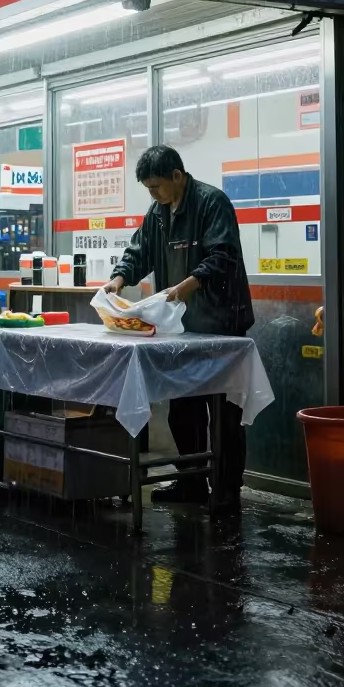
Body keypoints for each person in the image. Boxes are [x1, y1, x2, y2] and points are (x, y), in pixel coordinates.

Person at [104, 145, 254, 510]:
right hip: (185, 330)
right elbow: (139, 251)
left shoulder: (212, 203)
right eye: (148, 189)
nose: (152, 195)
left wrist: (186, 286)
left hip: (221, 328)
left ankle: (227, 490)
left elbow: (223, 255)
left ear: (177, 176)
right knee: (183, 412)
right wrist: (119, 279)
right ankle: (192, 484)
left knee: (224, 415)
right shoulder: (158, 212)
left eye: (156, 187)